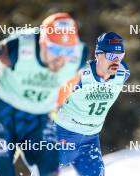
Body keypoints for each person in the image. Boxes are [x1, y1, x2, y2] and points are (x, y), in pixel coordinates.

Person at [0, 12, 87, 176]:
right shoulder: (18, 48)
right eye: (55, 49)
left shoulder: (77, 55)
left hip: (37, 116)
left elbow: (74, 77)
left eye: (67, 51)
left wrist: (57, 103)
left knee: (50, 169)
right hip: (4, 113)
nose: (61, 59)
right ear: (43, 42)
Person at [54, 32, 130, 176]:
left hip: (90, 141)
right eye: (111, 56)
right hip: (63, 135)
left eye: (120, 56)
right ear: (98, 54)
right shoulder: (82, 75)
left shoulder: (122, 72)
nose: (116, 61)